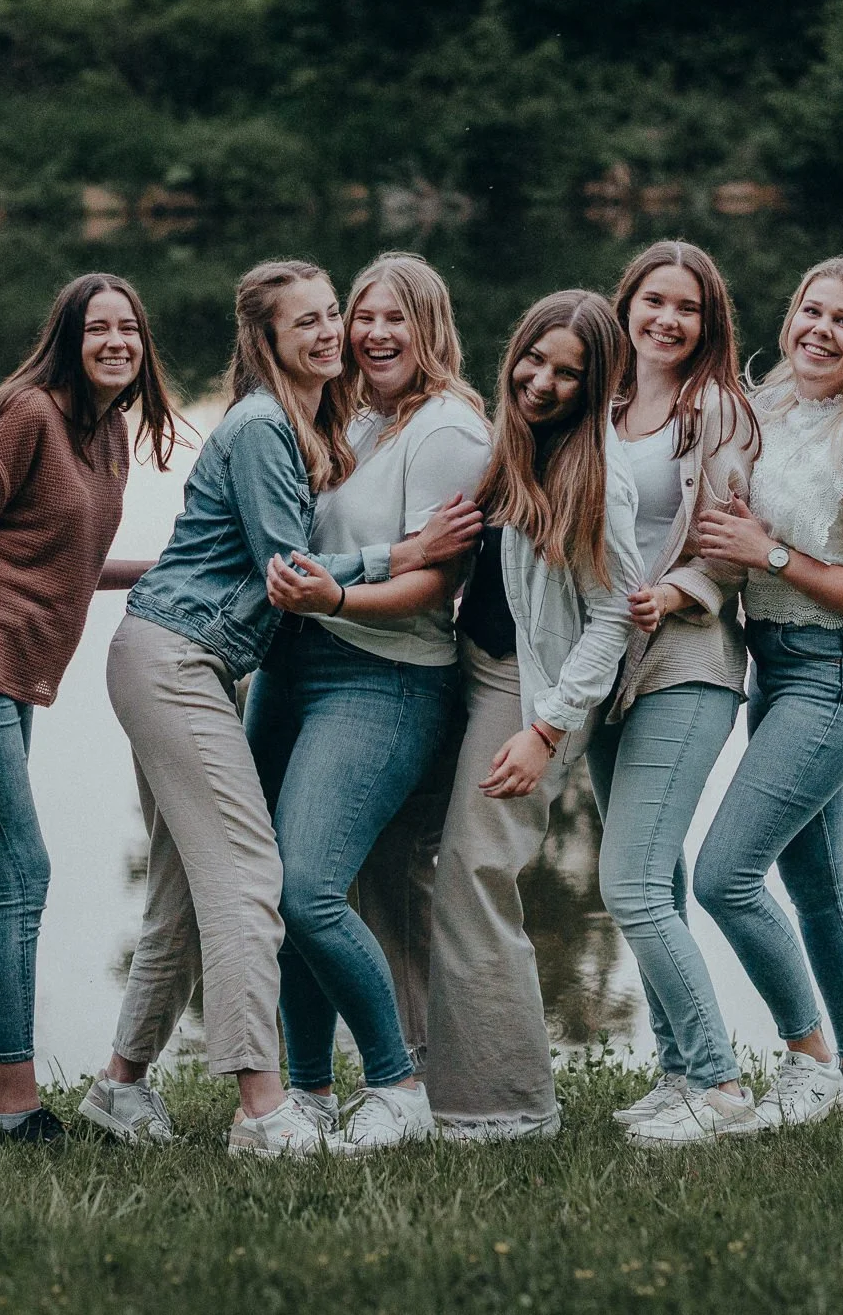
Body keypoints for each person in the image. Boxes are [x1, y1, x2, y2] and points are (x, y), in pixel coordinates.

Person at [78, 259, 480, 1158]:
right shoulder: (267, 427)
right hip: (178, 664)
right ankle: (265, 1108)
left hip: (189, 659)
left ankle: (121, 1084)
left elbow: (213, 559)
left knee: (188, 887)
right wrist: (401, 549)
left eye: (337, 313)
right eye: (313, 321)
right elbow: (286, 574)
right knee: (251, 881)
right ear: (266, 339)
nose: (337, 332)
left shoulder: (324, 422)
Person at [0, 274, 181, 1144]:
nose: (117, 341)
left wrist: (152, 574)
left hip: (8, 675)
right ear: (68, 335)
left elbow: (55, 559)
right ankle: (18, 1108)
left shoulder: (109, 433)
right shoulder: (23, 416)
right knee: (25, 876)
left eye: (130, 327)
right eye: (100, 327)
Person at [244, 252, 492, 1155]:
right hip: (294, 667)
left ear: (432, 328)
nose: (375, 333)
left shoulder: (449, 432)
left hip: (384, 676)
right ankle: (306, 1090)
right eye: (364, 315)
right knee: (268, 889)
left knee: (310, 887)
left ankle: (395, 1083)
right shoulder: (348, 417)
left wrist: (338, 600)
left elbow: (435, 582)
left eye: (399, 318)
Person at [690, 255, 843, 1129]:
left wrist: (773, 556)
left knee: (724, 876)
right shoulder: (773, 408)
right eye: (809, 311)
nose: (818, 332)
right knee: (819, 883)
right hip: (779, 666)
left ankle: (810, 1057)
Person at [417, 289, 642, 1141]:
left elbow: (615, 615)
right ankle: (421, 1075)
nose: (541, 382)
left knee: (476, 871)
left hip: (530, 687)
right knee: (423, 863)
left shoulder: (597, 471)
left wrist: (545, 730)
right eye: (533, 360)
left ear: (597, 388)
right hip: (468, 666)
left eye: (567, 374)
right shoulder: (513, 445)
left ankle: (508, 1106)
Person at [586, 242, 770, 1147]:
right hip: (607, 667)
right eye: (653, 300)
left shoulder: (719, 414)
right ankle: (676, 1071)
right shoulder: (602, 406)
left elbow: (733, 542)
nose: (666, 319)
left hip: (688, 661)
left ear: (708, 323)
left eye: (686, 308)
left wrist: (680, 590)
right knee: (651, 877)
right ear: (625, 306)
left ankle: (721, 1084)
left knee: (628, 881)